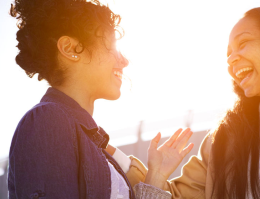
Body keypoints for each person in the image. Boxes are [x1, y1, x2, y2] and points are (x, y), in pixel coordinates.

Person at [7, 0, 194, 198]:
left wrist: (156, 176)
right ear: (70, 48)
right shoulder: (47, 120)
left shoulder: (93, 146)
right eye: (111, 47)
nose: (124, 61)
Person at [117, 3, 260, 199]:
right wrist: (156, 174)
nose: (230, 59)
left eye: (243, 43)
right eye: (228, 53)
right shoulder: (221, 141)